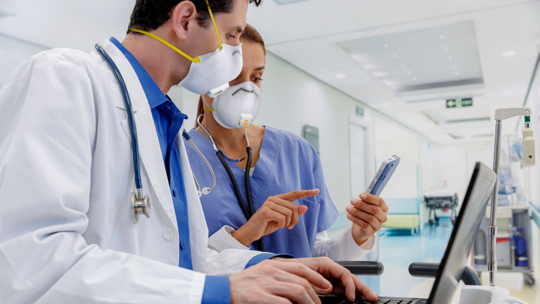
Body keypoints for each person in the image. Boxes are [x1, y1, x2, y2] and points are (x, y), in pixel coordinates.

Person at [0, 0, 378, 303]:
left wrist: (278, 267)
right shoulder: (65, 77)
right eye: (231, 36)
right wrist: (222, 292)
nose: (232, 53)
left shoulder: (163, 124)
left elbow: (183, 264)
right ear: (184, 20)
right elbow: (27, 264)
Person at [186, 24, 389, 259]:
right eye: (233, 76)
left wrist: (357, 236)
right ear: (203, 78)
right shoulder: (179, 158)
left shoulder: (297, 152)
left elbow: (312, 254)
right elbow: (181, 267)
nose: (247, 89)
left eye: (256, 78)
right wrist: (245, 235)